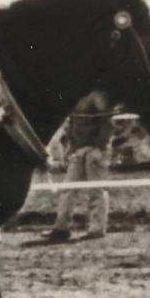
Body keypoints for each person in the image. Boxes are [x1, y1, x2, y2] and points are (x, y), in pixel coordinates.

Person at [46, 88, 116, 242]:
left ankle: (97, 229)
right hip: (78, 150)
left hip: (95, 150)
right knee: (67, 189)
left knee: (96, 190)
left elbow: (107, 123)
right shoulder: (75, 95)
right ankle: (61, 229)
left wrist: (99, 147)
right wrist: (70, 148)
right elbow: (72, 123)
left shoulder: (97, 95)